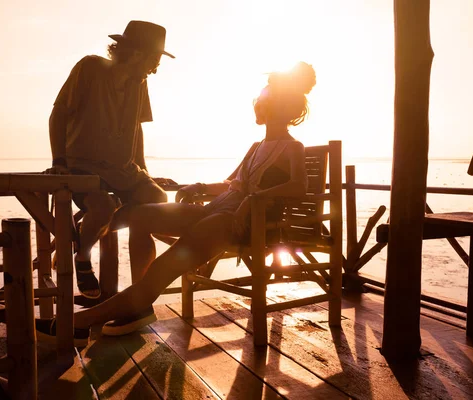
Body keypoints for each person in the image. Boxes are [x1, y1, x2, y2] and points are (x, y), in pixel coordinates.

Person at [36, 61, 318, 346]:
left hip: (239, 222)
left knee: (163, 268)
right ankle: (88, 237)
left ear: (279, 107)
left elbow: (299, 186)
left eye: (264, 99)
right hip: (218, 209)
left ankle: (82, 322)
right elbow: (232, 184)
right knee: (142, 215)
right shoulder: (256, 147)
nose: (258, 104)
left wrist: (255, 198)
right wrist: (199, 186)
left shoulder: (293, 147)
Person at [45, 21, 174, 301]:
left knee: (156, 199)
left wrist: (145, 172)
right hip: (82, 165)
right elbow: (58, 114)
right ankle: (82, 254)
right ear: (137, 53)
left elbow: (137, 129)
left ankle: (84, 235)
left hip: (124, 170)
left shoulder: (141, 84)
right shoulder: (90, 68)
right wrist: (59, 161)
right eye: (155, 58)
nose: (156, 66)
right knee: (103, 206)